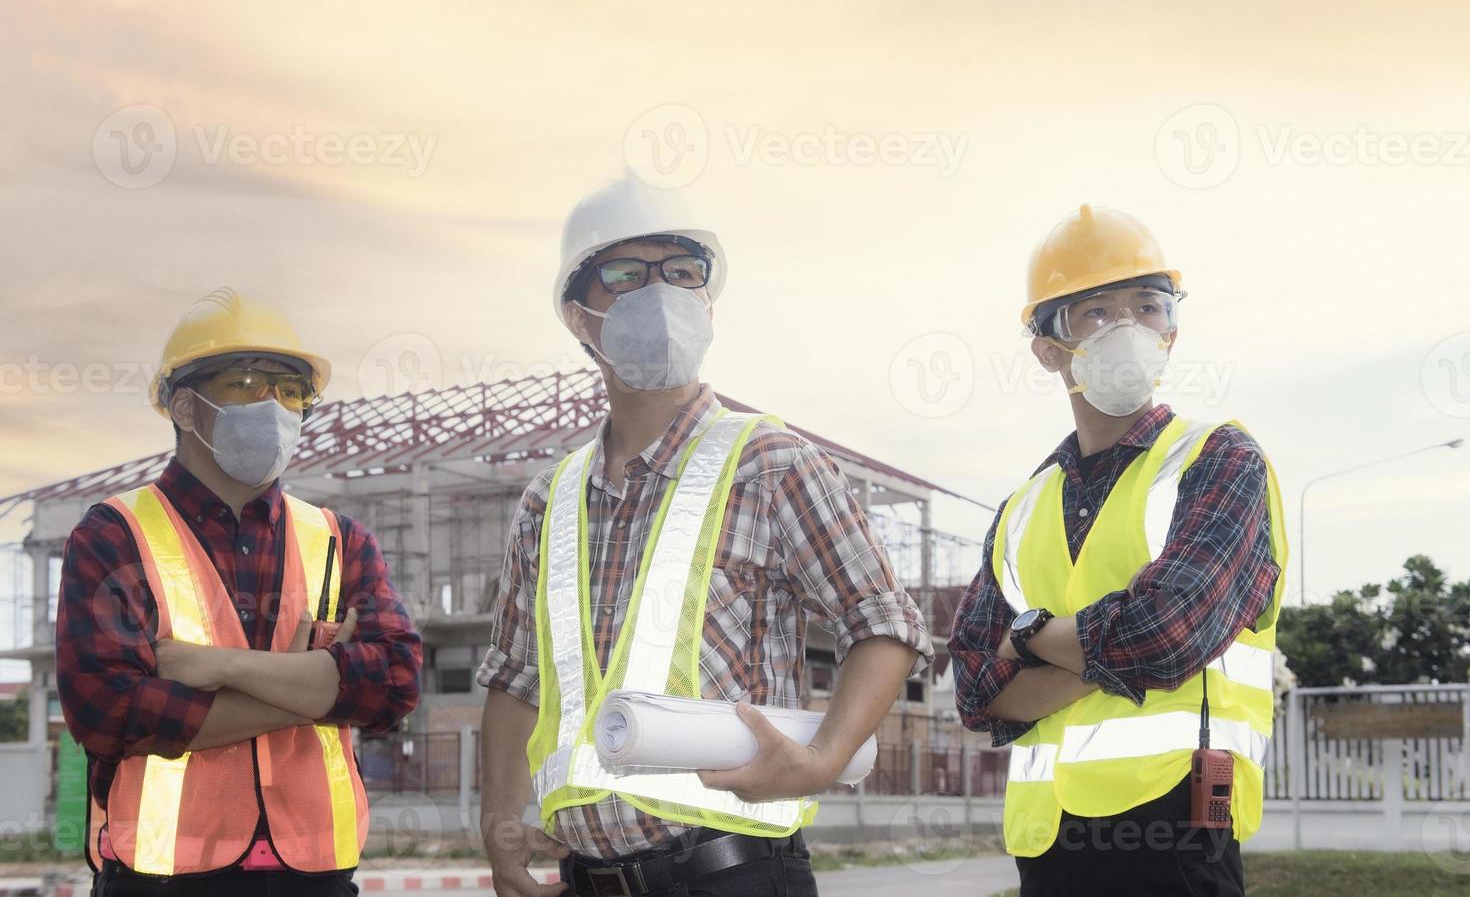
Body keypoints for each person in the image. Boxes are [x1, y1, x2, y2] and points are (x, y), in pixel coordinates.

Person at [477, 174, 934, 897]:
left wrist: (824, 756)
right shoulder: (548, 501)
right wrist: (499, 826)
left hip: (733, 873)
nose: (659, 294)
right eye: (626, 275)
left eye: (682, 274)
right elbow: (514, 679)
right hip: (585, 880)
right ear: (578, 315)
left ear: (707, 303)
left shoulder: (769, 461)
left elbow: (884, 621)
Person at [949, 205, 1287, 896]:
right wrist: (1120, 636)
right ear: (1047, 345)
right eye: (1095, 313)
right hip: (1048, 845)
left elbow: (1166, 635)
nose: (1128, 328)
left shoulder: (1218, 459)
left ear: (1172, 329)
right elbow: (975, 689)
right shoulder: (1021, 509)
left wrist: (1029, 638)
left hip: (1178, 832)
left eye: (1148, 306)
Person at [57, 288, 423, 896]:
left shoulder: (339, 541)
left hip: (317, 878)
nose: (274, 405)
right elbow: (108, 711)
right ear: (184, 407)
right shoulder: (113, 536)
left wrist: (214, 666)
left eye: (290, 390)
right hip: (162, 878)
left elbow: (396, 682)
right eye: (247, 383)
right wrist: (317, 683)